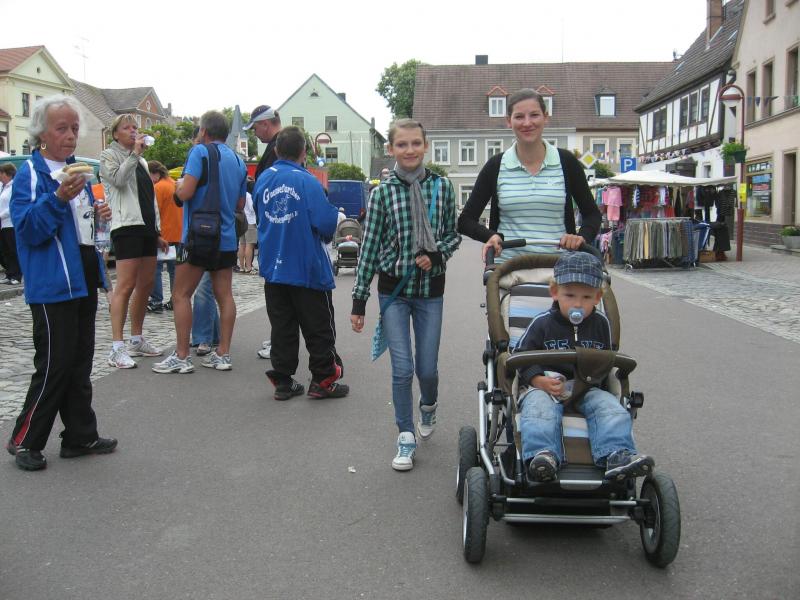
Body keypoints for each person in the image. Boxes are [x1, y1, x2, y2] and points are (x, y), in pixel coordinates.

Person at [6, 94, 117, 471]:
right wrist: (58, 198)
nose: (70, 135)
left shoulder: (77, 170)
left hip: (82, 274)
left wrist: (98, 215)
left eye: (74, 128)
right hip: (52, 282)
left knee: (79, 362)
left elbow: (79, 228)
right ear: (42, 133)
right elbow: (28, 230)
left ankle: (80, 435)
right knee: (54, 365)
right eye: (62, 128)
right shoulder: (30, 174)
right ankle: (25, 440)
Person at [350, 118, 461, 471]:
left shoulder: (442, 187)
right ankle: (405, 435)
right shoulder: (382, 193)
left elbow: (452, 234)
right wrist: (359, 300)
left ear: (425, 146)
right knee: (402, 369)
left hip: (429, 292)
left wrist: (438, 254)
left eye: (415, 143)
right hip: (394, 292)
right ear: (391, 149)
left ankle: (428, 405)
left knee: (426, 369)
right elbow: (369, 247)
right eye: (402, 144)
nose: (409, 150)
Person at [515, 251, 654, 482]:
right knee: (539, 410)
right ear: (554, 292)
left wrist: (594, 379)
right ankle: (543, 455)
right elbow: (521, 356)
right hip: (545, 387)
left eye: (586, 297)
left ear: (598, 297)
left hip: (587, 387)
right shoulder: (542, 323)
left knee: (610, 408)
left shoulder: (601, 324)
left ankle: (616, 454)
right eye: (569, 295)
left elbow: (607, 359)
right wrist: (537, 379)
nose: (578, 303)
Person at [255, 126, 349, 400]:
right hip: (306, 265)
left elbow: (260, 216)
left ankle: (283, 380)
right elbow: (325, 223)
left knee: (282, 326)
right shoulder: (308, 181)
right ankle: (323, 379)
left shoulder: (263, 178)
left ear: (276, 150)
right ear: (304, 151)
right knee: (318, 325)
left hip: (274, 266)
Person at [457, 88, 601, 262]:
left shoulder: (566, 162)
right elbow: (465, 220)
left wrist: (581, 237)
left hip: (560, 267)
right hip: (509, 267)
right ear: (508, 121)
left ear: (545, 117)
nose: (527, 123)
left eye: (534, 115)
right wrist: (491, 236)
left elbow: (592, 214)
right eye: (519, 117)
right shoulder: (496, 166)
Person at [152, 110, 246, 374]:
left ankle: (182, 356)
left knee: (181, 294)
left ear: (203, 131)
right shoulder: (238, 160)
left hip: (198, 235)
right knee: (225, 296)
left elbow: (186, 192)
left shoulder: (200, 152)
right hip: (226, 236)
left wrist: (179, 187)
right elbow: (240, 204)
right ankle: (223, 354)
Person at [100, 114, 168, 368]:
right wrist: (133, 155)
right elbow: (118, 180)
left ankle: (136, 339)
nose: (133, 131)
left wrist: (157, 231)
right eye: (127, 127)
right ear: (115, 134)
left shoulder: (141, 161)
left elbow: (148, 197)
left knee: (146, 284)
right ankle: (116, 347)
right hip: (126, 225)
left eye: (135, 127)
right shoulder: (109, 156)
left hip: (146, 227)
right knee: (125, 285)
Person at [244, 104, 282, 360]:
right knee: (279, 288)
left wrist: (251, 186)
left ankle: (280, 340)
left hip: (275, 226)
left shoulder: (278, 147)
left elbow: (270, 188)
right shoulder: (281, 144)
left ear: (266, 123)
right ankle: (280, 337)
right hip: (277, 225)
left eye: (255, 128)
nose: (255, 133)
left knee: (277, 289)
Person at [147, 160, 181, 312]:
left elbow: (155, 212)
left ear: (155, 173)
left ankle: (156, 301)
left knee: (156, 269)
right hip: (178, 233)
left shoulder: (158, 187)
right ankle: (175, 300)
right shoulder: (174, 184)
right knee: (174, 270)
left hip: (164, 235)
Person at [0, 162, 22, 284]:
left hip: (10, 223)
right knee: (5, 250)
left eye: (1, 173)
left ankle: (17, 275)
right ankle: (9, 274)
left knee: (13, 250)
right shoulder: (3, 187)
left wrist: (1, 215)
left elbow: (13, 205)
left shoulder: (14, 186)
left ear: (7, 174)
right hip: (3, 224)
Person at [236, 188, 257, 273]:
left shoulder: (237, 194)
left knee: (241, 244)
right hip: (250, 221)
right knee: (249, 245)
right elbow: (252, 209)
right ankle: (249, 267)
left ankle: (241, 267)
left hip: (241, 221)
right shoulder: (248, 195)